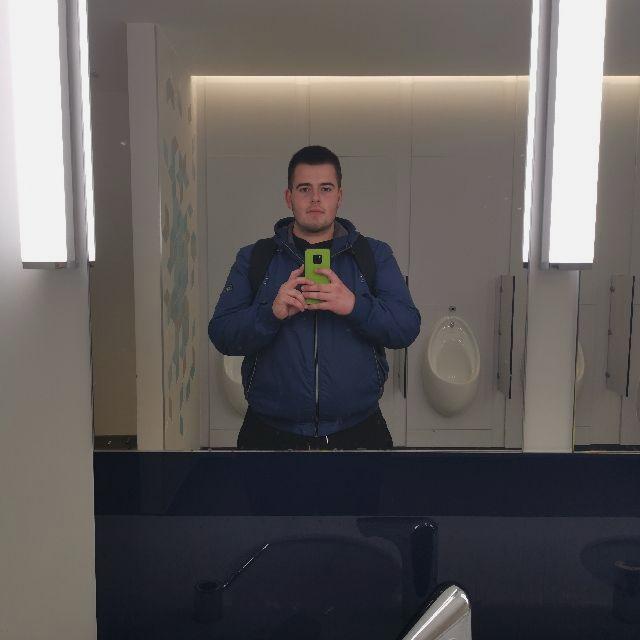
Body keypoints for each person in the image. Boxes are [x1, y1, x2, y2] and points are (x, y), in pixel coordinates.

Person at [209, 145, 420, 450]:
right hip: (269, 432)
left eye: (326, 188)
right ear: (289, 197)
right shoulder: (255, 257)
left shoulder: (373, 255)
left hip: (359, 430)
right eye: (304, 188)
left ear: (339, 196)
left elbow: (406, 328)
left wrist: (354, 306)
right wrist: (270, 313)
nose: (316, 198)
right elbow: (222, 334)